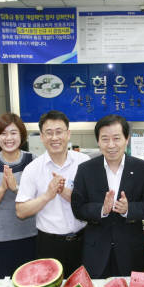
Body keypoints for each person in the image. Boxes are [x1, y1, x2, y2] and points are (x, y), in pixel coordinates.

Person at [72, 115, 144, 278]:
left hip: (130, 251)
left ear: (127, 139)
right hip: (95, 252)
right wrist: (102, 209)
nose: (111, 145)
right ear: (98, 141)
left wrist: (128, 209)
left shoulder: (143, 169)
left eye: (116, 138)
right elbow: (78, 208)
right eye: (105, 139)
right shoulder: (85, 170)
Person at [15, 111, 89, 276]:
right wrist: (47, 195)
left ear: (68, 134)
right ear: (41, 137)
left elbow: (92, 203)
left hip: (84, 240)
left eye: (59, 131)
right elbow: (21, 211)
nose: (54, 137)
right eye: (49, 133)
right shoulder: (33, 169)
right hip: (49, 244)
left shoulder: (84, 163)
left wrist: (64, 192)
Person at [0, 113, 37, 278]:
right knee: (2, 286)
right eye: (3, 133)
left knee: (31, 282)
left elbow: (39, 199)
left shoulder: (33, 161)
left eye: (13, 133)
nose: (8, 138)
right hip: (0, 237)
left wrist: (16, 188)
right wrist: (3, 188)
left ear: (21, 135)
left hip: (31, 233)